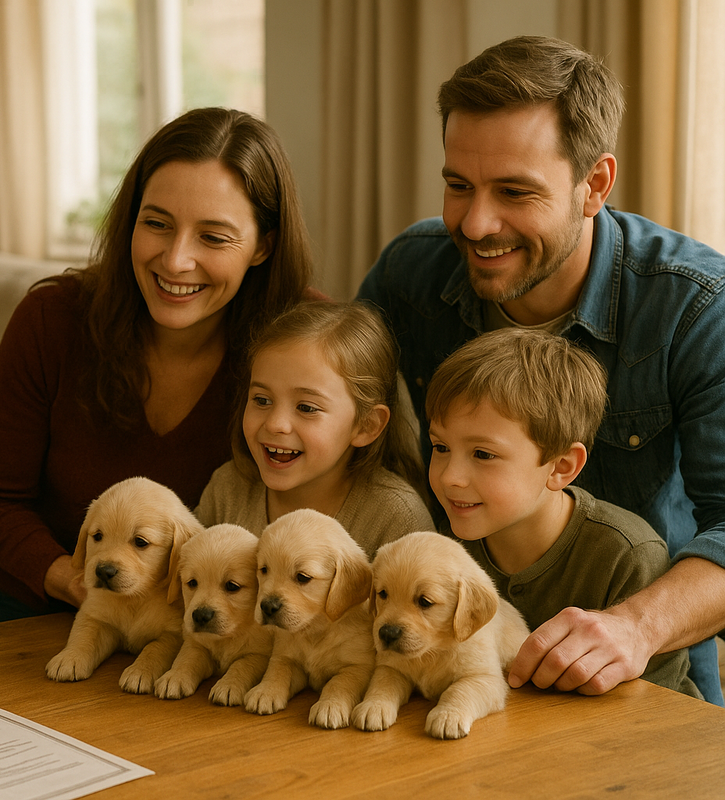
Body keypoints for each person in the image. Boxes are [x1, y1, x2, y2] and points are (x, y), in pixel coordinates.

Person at [358, 35, 725, 704]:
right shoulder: (410, 273)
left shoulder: (696, 308)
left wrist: (635, 626)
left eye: (515, 191)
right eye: (458, 186)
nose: (476, 224)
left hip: (635, 679)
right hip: (435, 666)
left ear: (595, 185)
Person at [0, 108, 315, 630]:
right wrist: (79, 582)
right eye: (156, 224)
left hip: (203, 623)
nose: (176, 260)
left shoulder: (307, 344)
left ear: (263, 246)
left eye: (213, 237)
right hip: (26, 600)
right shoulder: (51, 319)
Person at [426, 329, 699, 698]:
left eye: (483, 454)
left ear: (561, 467)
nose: (450, 477)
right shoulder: (443, 544)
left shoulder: (627, 556)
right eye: (440, 447)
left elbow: (651, 708)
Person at [195, 300, 433, 556]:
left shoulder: (398, 519)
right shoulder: (228, 490)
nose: (275, 424)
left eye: (306, 408)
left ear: (366, 425)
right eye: (262, 400)